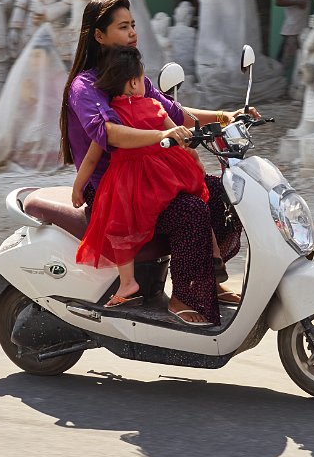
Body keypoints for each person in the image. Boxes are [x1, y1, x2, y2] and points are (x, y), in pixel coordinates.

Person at [60, 0, 254, 326]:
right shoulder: (85, 86)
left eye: (133, 25)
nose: (133, 32)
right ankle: (185, 296)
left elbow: (174, 112)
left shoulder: (135, 75)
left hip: (153, 176)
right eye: (123, 27)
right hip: (113, 188)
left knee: (226, 195)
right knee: (191, 210)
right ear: (99, 35)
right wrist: (164, 136)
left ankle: (207, 277)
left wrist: (227, 116)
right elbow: (110, 133)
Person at [72, 47, 214, 318]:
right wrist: (196, 163)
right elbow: (183, 140)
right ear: (135, 82)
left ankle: (128, 283)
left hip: (126, 184)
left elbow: (91, 159)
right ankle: (213, 255)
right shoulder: (154, 106)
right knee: (201, 201)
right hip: (162, 179)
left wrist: (78, 188)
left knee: (120, 229)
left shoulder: (111, 114)